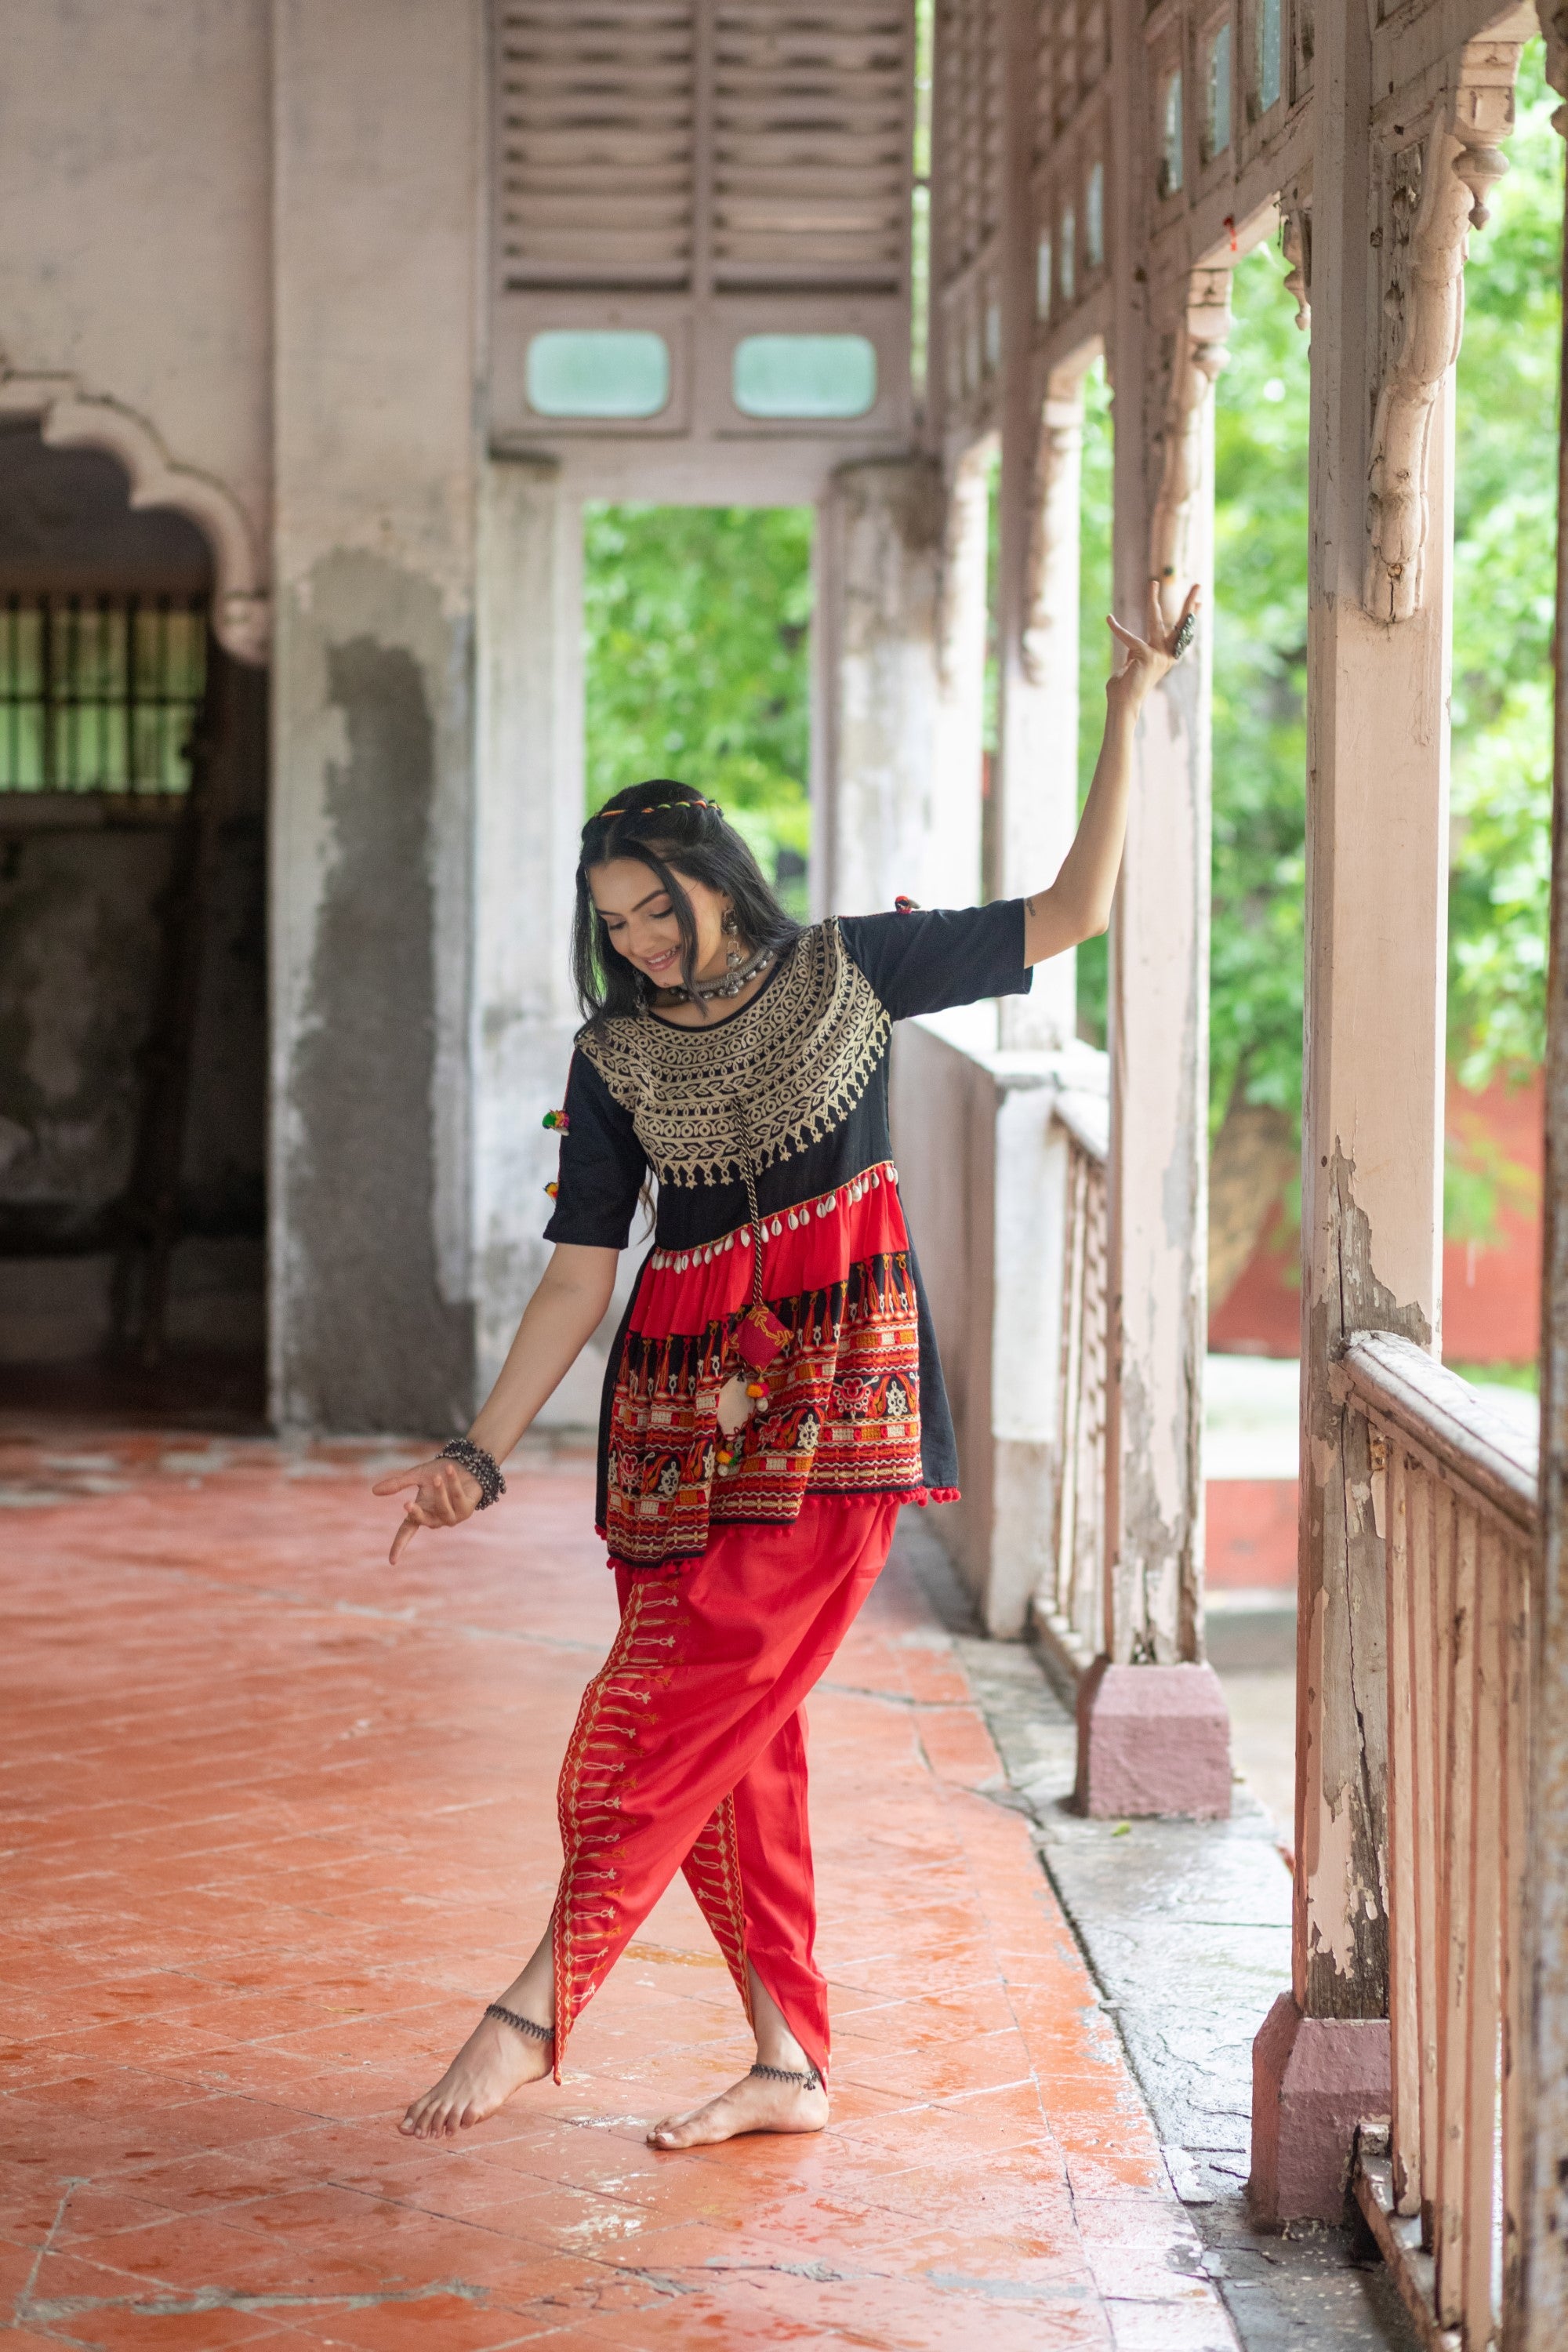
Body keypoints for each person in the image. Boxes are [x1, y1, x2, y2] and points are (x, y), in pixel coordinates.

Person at [383, 581, 1200, 2150]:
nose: (636, 941)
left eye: (654, 909)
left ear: (715, 881)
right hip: (672, 1429)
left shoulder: (852, 971)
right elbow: (577, 1273)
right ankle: (787, 2062)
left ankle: (537, 2006)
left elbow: (1067, 913)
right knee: (739, 1744)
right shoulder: (613, 1056)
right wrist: (479, 1452)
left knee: (649, 1723)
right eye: (611, 923)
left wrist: (1129, 709)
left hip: (839, 1411)